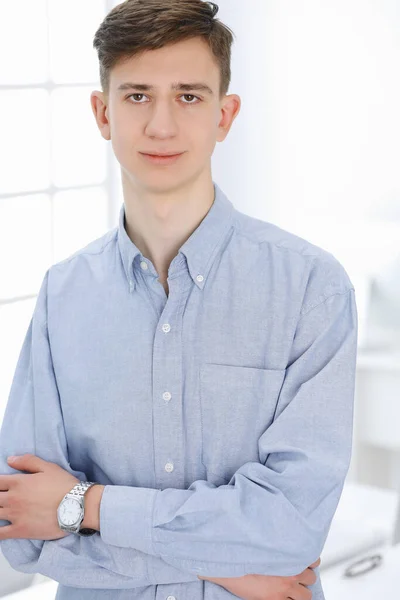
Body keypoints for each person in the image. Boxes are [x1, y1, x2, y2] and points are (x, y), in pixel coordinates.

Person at [0, 1, 358, 599]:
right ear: (102, 112)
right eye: (137, 95)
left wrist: (84, 505)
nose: (161, 126)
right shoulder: (63, 294)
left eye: (189, 96)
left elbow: (290, 529)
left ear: (225, 114)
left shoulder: (310, 288)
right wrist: (231, 569)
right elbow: (26, 530)